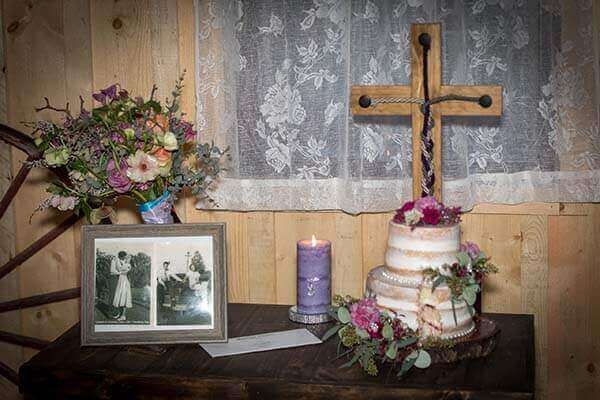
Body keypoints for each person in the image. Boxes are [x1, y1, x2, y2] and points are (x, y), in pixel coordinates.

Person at [111, 251, 132, 321]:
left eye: (127, 258)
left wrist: (116, 260)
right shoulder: (122, 262)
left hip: (124, 282)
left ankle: (123, 315)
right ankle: (119, 314)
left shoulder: (128, 265)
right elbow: (114, 270)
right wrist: (116, 260)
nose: (126, 259)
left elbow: (120, 269)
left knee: (124, 298)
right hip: (120, 281)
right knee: (120, 298)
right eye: (125, 257)